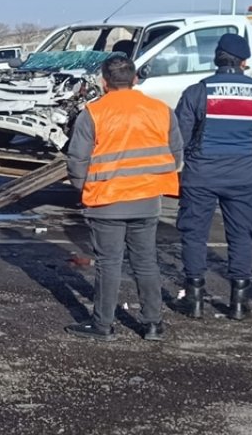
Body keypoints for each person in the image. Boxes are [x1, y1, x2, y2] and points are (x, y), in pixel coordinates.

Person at [65, 55, 182, 341]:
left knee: (109, 264)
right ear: (135, 79)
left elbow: (76, 160)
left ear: (104, 83)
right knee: (146, 262)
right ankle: (153, 324)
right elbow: (176, 156)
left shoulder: (93, 113)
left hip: (106, 201)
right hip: (147, 199)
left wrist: (84, 189)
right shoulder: (161, 110)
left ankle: (103, 325)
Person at [173, 33, 252, 320]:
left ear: (216, 59)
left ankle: (195, 299)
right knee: (241, 236)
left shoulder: (197, 91)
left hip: (201, 175)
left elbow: (179, 139)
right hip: (244, 176)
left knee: (194, 235)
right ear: (244, 62)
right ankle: (238, 302)